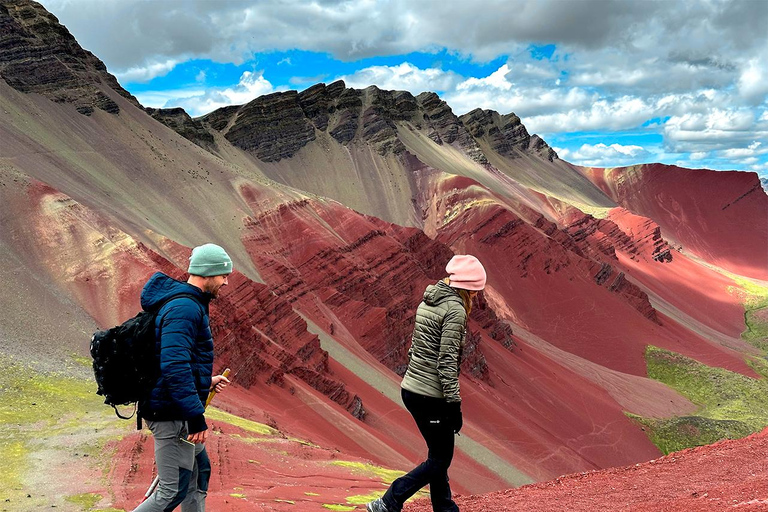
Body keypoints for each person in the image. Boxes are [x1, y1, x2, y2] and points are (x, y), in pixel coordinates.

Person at [367, 255, 487, 512]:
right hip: (431, 396)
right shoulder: (454, 310)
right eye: (476, 291)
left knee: (437, 455)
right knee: (441, 458)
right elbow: (447, 363)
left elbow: (414, 350)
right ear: (467, 287)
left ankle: (444, 508)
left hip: (411, 389)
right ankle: (389, 501)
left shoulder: (429, 301)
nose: (477, 296)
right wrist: (454, 406)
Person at [133, 243, 233, 512]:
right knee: (171, 491)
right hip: (171, 414)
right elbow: (175, 366)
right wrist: (194, 416)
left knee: (199, 471)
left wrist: (205, 381)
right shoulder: (185, 308)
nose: (225, 281)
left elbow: (179, 362)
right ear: (208, 273)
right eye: (223, 275)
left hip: (175, 407)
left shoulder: (187, 304)